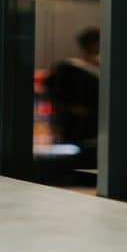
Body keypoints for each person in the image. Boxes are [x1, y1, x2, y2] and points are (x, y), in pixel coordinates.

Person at [45, 27, 100, 167]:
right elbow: (58, 99)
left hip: (87, 129)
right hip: (79, 129)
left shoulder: (100, 69)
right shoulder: (69, 69)